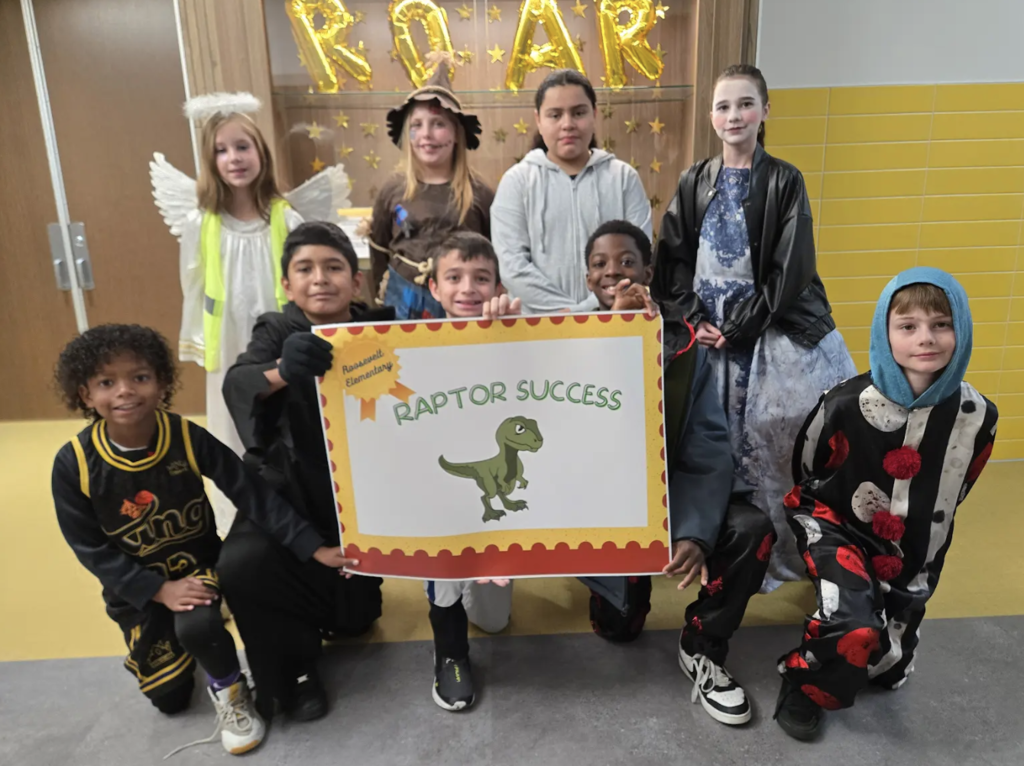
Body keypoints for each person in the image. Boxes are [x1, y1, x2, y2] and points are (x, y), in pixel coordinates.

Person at [51, 324, 351, 756]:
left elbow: (252, 494)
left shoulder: (186, 437)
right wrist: (157, 589)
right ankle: (183, 653)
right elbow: (89, 548)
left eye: (139, 377)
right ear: (85, 395)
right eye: (106, 382)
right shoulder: (74, 463)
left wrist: (312, 546)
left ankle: (230, 690)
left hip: (198, 570)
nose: (125, 391)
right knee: (170, 699)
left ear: (162, 384)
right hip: (135, 587)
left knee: (199, 625)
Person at [651, 64, 856, 589]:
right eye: (723, 106)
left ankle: (786, 556)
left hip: (768, 330)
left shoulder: (786, 179)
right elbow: (672, 260)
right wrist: (696, 318)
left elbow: (792, 265)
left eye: (745, 104)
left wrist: (740, 327)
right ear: (711, 117)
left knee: (776, 446)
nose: (734, 115)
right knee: (710, 445)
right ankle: (716, 555)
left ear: (765, 111)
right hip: (708, 338)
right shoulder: (694, 180)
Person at [774, 268, 998, 740]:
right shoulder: (844, 403)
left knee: (887, 664)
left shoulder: (978, 415)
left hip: (917, 537)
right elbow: (808, 465)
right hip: (835, 523)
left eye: (941, 324)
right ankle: (802, 681)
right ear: (884, 331)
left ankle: (865, 630)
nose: (926, 338)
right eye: (908, 326)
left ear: (961, 328)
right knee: (853, 628)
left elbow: (960, 483)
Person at [578, 221, 777, 726]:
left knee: (751, 530)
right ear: (587, 278)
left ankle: (703, 644)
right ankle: (621, 593)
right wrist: (614, 332)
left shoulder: (683, 347)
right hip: (605, 500)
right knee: (620, 628)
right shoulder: (564, 340)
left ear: (648, 272)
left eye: (627, 261)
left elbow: (707, 444)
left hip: (675, 491)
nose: (613, 271)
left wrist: (695, 531)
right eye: (600, 263)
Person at [150, 92, 350, 534]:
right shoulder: (202, 222)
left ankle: (297, 514)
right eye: (221, 151)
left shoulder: (286, 218)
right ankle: (239, 521)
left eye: (243, 146)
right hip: (228, 341)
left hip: (279, 342)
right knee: (231, 424)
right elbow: (192, 284)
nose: (234, 158)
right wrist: (196, 340)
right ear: (210, 162)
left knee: (284, 422)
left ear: (261, 152)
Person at [220, 221, 391, 721]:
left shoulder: (384, 329)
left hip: (355, 500)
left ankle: (323, 609)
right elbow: (239, 383)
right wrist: (282, 370)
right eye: (305, 269)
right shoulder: (276, 330)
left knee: (354, 621)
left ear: (355, 282)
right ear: (287, 285)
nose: (320, 278)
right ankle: (293, 667)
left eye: (334, 267)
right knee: (243, 564)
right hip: (287, 492)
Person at [423, 230, 521, 711]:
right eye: (454, 277)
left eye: (481, 278)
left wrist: (517, 336)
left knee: (496, 620)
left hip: (494, 503)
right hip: (438, 504)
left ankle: (476, 580)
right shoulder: (410, 348)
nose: (468, 288)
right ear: (434, 287)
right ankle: (450, 652)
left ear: (497, 287)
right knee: (443, 565)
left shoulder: (515, 334)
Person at [491, 69, 652, 314]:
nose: (568, 124)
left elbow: (640, 255)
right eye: (555, 115)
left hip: (614, 320)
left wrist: (587, 310)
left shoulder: (623, 178)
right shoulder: (516, 182)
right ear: (538, 120)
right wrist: (566, 314)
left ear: (594, 114)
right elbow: (512, 266)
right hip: (538, 324)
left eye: (578, 113)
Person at [370, 52, 493, 319]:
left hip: (463, 303)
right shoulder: (392, 190)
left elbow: (495, 257)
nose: (426, 134)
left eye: (438, 124)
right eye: (417, 125)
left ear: (457, 134)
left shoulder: (480, 193)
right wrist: (379, 304)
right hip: (402, 300)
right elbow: (378, 250)